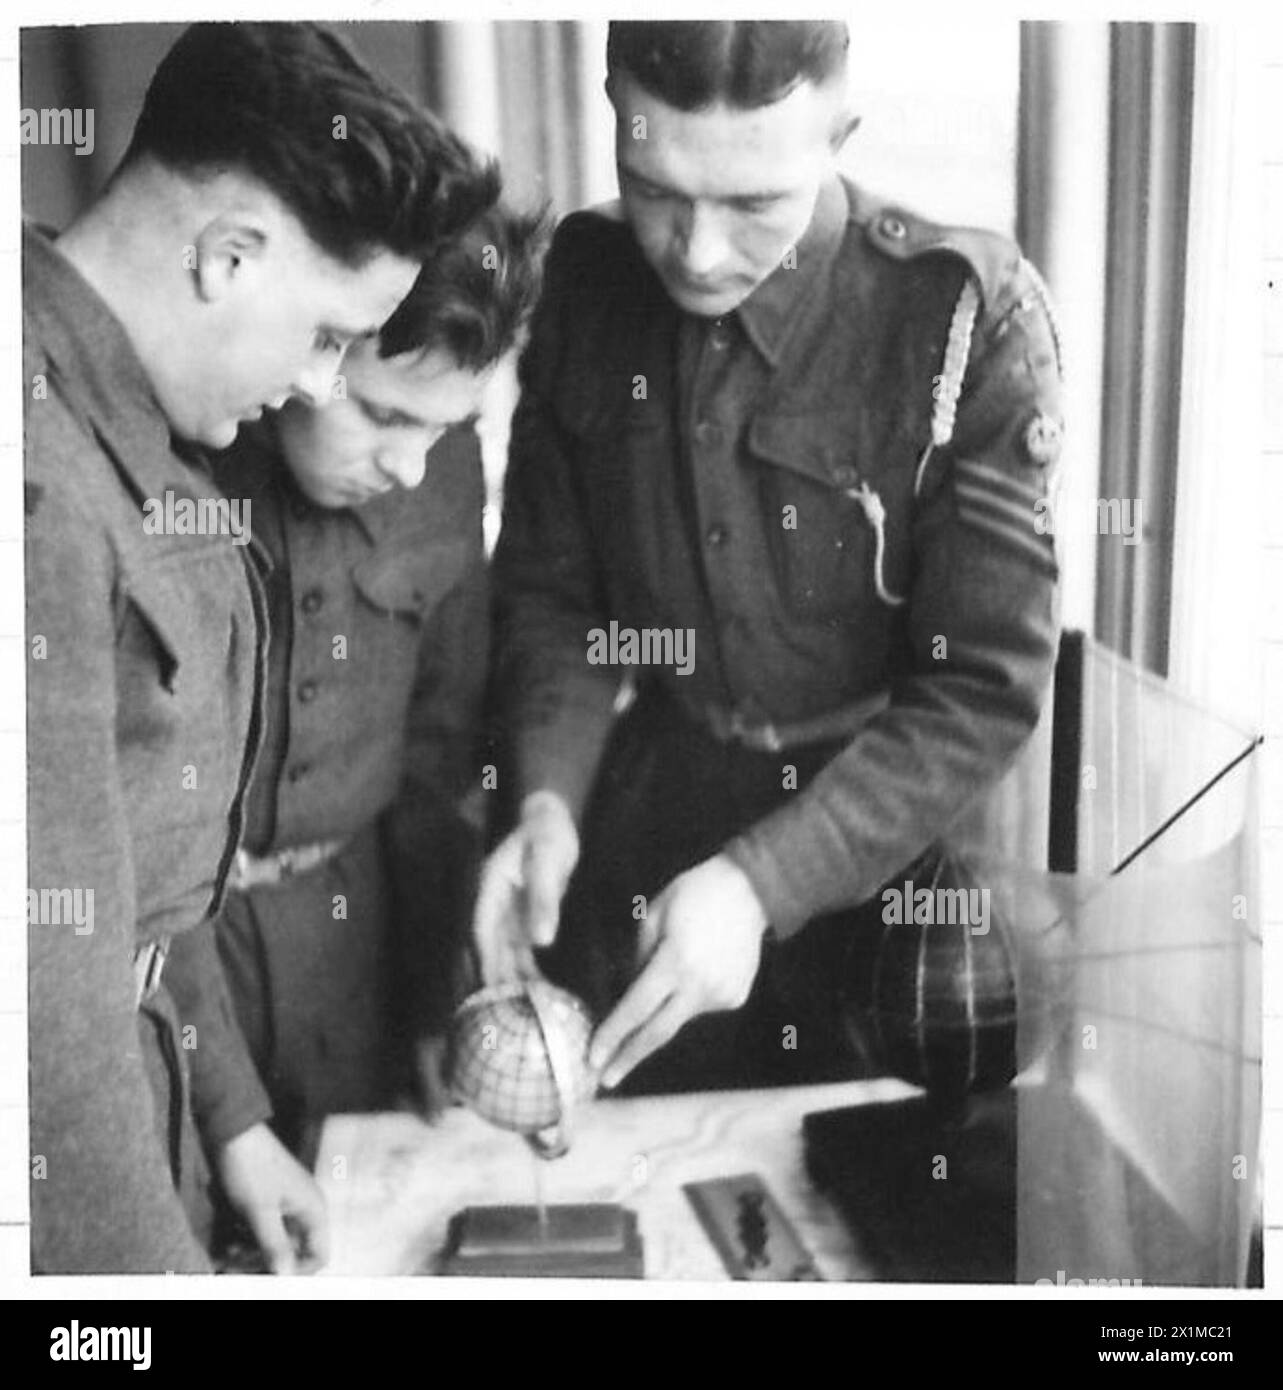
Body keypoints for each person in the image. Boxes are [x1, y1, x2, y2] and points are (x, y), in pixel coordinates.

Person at [474, 20, 1065, 1094]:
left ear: (838, 133)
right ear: (612, 112)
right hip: (651, 837)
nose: (694, 251)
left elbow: (982, 687)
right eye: (651, 185)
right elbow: (552, 599)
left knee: (875, 1197)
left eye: (751, 204)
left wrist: (760, 884)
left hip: (894, 872)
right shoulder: (580, 287)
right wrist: (546, 800)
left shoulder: (959, 319)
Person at [25, 20, 498, 1274]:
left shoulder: (110, 416)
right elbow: (49, 1033)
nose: (312, 386)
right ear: (229, 256)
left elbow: (138, 876)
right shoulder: (40, 481)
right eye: (331, 335)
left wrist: (229, 1135)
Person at [178, 204, 547, 1161]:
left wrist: (430, 1001)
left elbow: (439, 760)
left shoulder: (443, 465)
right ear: (313, 343)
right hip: (176, 951)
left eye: (445, 424)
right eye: (381, 413)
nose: (406, 463)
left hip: (353, 946)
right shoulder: (182, 448)